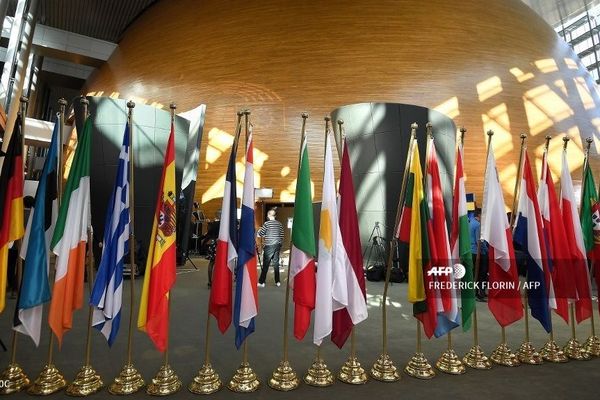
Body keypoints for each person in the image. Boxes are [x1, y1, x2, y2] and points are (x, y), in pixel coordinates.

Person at [257, 209, 284, 287]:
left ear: (268, 215)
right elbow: (282, 235)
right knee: (276, 264)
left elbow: (261, 233)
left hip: (269, 245)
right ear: (275, 216)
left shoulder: (267, 224)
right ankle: (277, 281)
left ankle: (261, 282)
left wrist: (259, 231)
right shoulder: (279, 224)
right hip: (277, 245)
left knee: (266, 264)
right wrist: (279, 244)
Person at [470, 208, 488, 302]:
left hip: (471, 252)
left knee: (473, 274)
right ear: (479, 215)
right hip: (478, 253)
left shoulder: (470, 223)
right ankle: (479, 294)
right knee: (481, 274)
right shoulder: (478, 225)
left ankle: (475, 292)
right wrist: (487, 250)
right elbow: (479, 241)